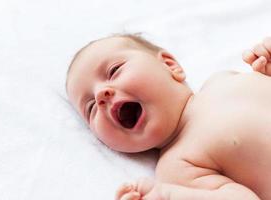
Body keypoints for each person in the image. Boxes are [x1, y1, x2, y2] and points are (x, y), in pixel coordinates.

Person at [66, 33, 271, 200]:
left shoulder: (222, 79)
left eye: (114, 70)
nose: (100, 95)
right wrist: (168, 196)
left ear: (170, 65)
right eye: (91, 107)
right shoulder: (176, 167)